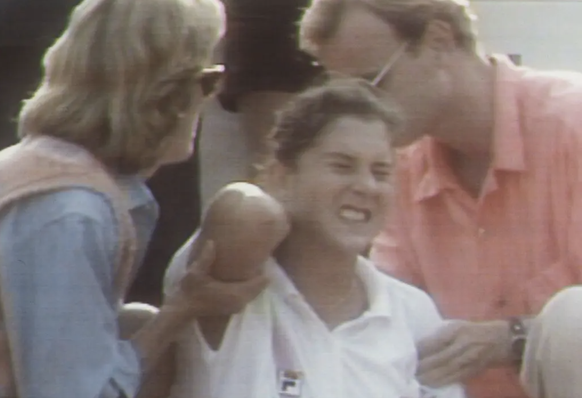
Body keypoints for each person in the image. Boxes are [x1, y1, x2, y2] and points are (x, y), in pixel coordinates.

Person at [299, 0, 582, 397]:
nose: (361, 112)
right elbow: (393, 328)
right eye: (344, 97)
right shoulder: (395, 171)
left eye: (370, 84)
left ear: (438, 40)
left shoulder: (573, 125)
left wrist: (517, 337)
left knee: (572, 320)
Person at [0, 0, 267, 397]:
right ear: (160, 90)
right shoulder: (72, 212)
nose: (207, 100)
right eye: (208, 80)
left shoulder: (39, 170)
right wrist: (178, 313)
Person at [164, 79, 467, 398]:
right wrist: (277, 200)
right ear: (280, 175)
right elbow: (243, 210)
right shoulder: (228, 278)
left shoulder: (412, 310)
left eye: (381, 172)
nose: (366, 186)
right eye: (342, 166)